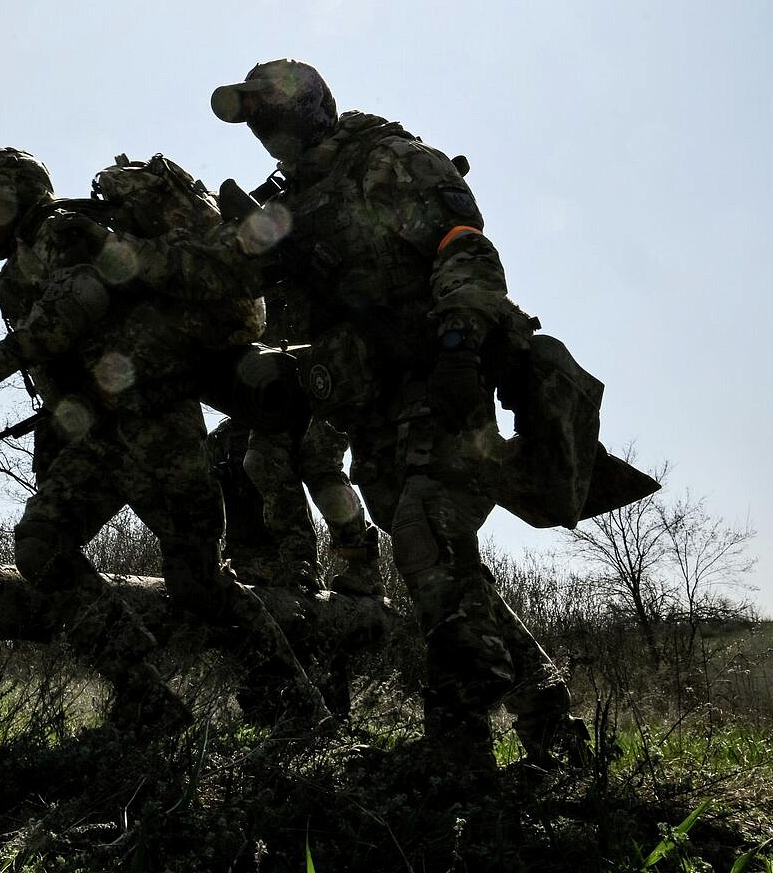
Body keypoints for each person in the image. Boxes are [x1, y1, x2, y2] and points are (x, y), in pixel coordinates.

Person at [188, 58, 590, 772]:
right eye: (256, 123)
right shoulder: (287, 202)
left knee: (427, 539)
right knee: (437, 560)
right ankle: (552, 722)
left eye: (274, 113)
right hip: (368, 409)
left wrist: (462, 342)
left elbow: (462, 245)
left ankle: (460, 757)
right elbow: (269, 308)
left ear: (312, 107)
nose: (265, 132)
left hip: (439, 384)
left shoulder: (388, 161)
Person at [0, 147, 328, 734]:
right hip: (102, 437)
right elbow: (63, 368)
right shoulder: (15, 270)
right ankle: (144, 695)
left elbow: (73, 307)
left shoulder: (66, 230)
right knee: (42, 545)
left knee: (197, 581)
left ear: (16, 192)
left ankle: (298, 707)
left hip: (158, 426)